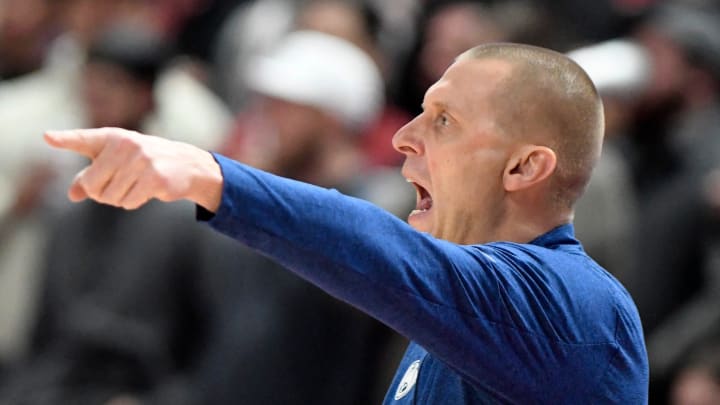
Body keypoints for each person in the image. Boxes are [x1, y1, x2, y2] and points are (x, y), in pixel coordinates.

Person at [44, 42, 648, 403]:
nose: (404, 137)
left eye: (443, 122)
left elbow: (381, 250)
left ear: (524, 166)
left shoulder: (575, 307)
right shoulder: (461, 319)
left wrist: (211, 175)